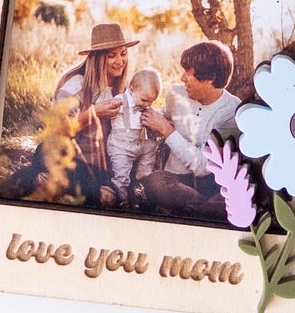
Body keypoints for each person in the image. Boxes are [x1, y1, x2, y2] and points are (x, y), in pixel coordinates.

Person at [138, 40, 241, 218]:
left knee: (231, 196)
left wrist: (167, 131)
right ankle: (204, 213)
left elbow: (203, 166)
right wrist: (144, 112)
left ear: (210, 79)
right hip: (175, 180)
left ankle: (196, 212)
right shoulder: (177, 94)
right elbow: (162, 119)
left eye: (188, 73)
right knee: (155, 181)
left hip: (211, 182)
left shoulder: (231, 111)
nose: (182, 78)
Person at [48, 22, 137, 205]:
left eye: (123, 53)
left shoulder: (126, 88)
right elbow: (55, 131)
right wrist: (93, 114)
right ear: (96, 58)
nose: (119, 61)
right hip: (74, 159)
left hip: (104, 165)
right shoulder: (76, 85)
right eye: (111, 56)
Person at [106, 66, 163, 202]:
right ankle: (121, 197)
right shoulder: (121, 100)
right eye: (144, 100)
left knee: (151, 146)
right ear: (131, 89)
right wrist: (112, 106)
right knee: (121, 172)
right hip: (120, 145)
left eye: (151, 102)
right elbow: (107, 108)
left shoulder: (145, 104)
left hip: (138, 142)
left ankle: (143, 175)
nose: (147, 104)